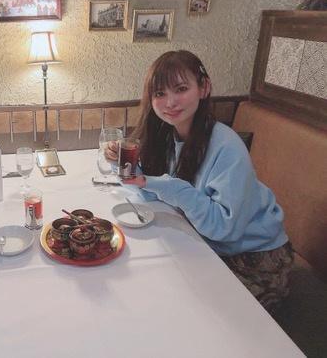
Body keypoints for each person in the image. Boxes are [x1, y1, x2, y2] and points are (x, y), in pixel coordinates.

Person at [107, 50, 293, 312]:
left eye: (181, 89)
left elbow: (223, 228)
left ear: (203, 88)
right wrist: (129, 169)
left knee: (183, 311)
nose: (170, 102)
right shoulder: (168, 135)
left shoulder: (226, 146)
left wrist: (168, 187)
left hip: (255, 257)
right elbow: (154, 198)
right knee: (136, 284)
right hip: (206, 242)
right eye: (160, 93)